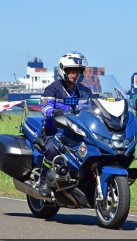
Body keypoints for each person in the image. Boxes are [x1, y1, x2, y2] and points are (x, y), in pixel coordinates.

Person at [38, 51, 92, 197]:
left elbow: (92, 107)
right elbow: (45, 107)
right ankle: (43, 182)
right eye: (72, 71)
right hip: (55, 131)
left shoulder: (85, 91)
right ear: (63, 70)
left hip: (77, 131)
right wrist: (53, 112)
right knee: (51, 150)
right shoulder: (53, 89)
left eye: (78, 72)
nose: (75, 75)